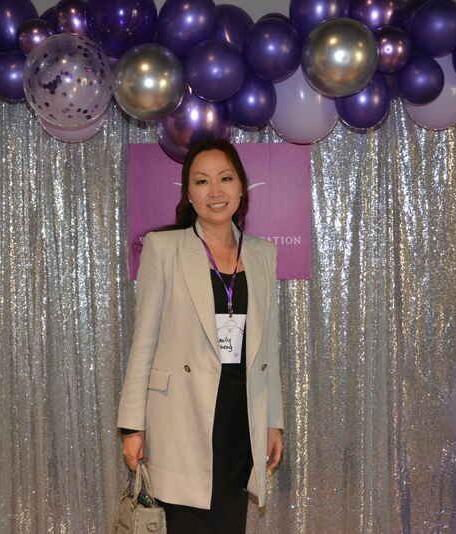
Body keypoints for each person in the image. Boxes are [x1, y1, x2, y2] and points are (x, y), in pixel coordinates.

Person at [117, 139, 285, 534]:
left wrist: (272, 420)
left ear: (241, 187)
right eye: (202, 181)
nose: (215, 191)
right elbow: (144, 342)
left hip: (240, 416)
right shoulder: (164, 248)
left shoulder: (263, 254)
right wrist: (131, 425)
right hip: (181, 417)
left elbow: (268, 348)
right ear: (188, 193)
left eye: (225, 178)